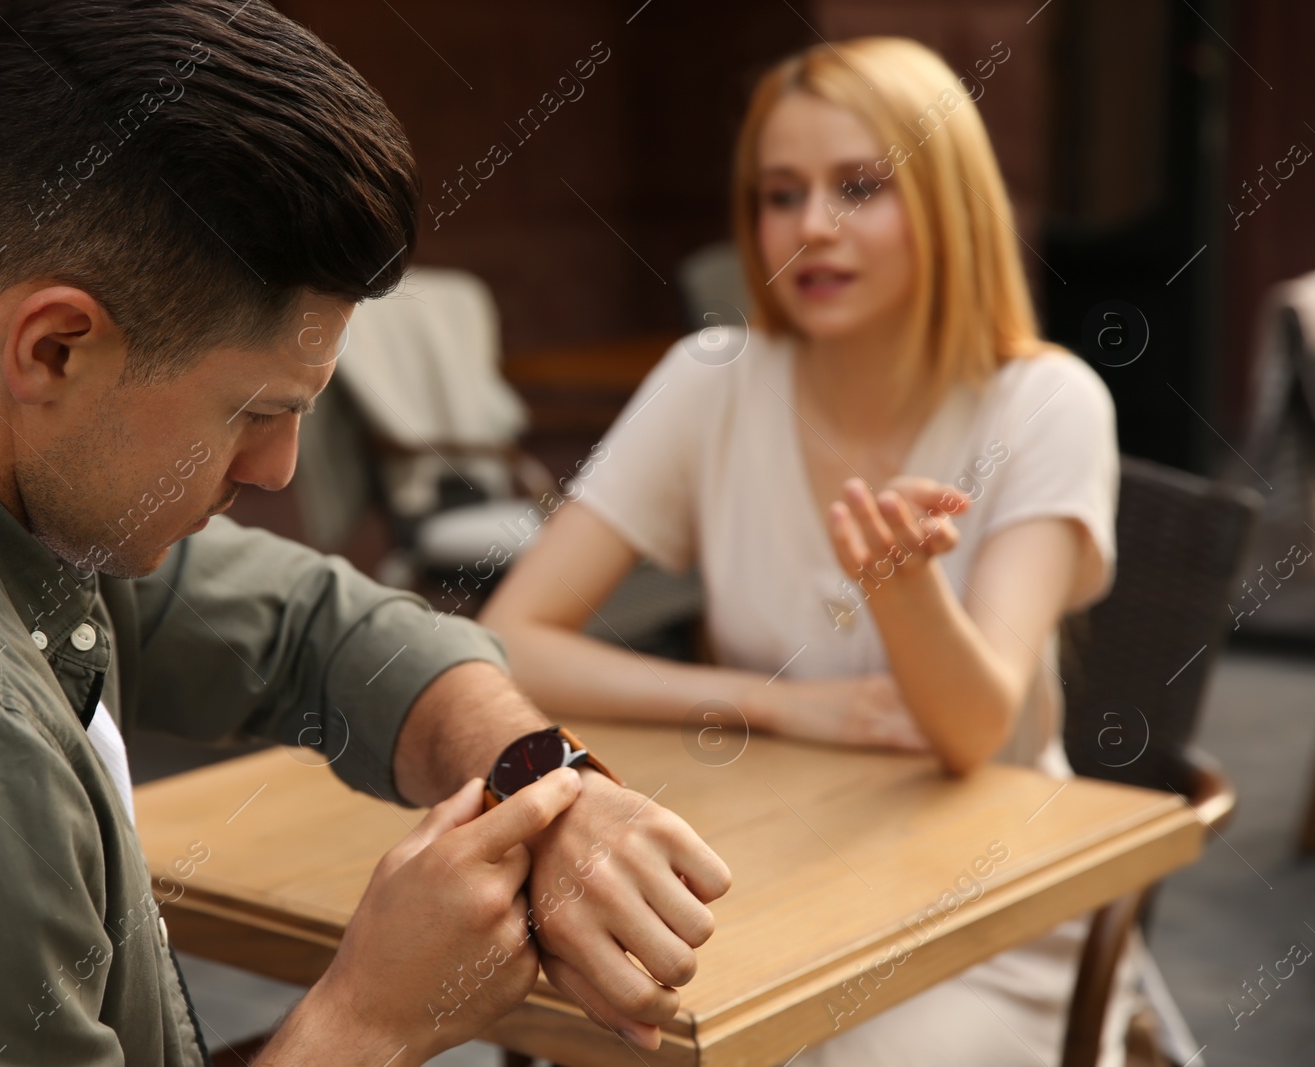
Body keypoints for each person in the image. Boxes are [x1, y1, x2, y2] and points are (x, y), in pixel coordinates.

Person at [0, 3, 731, 1064]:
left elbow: (313, 624)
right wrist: (369, 1018)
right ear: (56, 347)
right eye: (255, 412)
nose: (279, 468)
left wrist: (544, 782)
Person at [480, 36, 1126, 1067]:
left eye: (860, 186)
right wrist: (777, 702)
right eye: (781, 194)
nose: (811, 226)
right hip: (765, 868)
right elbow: (512, 639)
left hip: (985, 899)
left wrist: (900, 588)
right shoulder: (714, 376)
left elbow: (972, 734)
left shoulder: (1044, 402)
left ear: (950, 200)